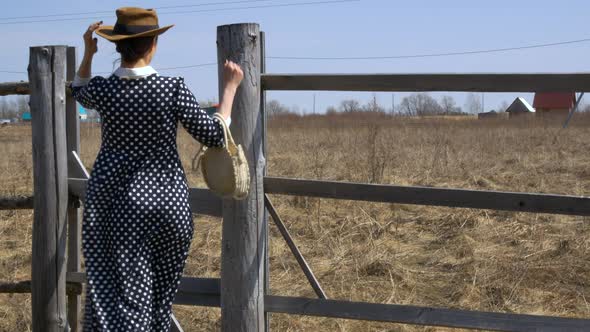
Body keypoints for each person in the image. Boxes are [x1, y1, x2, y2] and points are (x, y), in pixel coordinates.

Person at [70, 7, 244, 331]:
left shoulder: (105, 90)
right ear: (153, 45)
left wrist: (88, 53)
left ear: (118, 46)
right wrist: (230, 89)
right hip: (170, 207)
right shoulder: (172, 88)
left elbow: (78, 90)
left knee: (127, 304)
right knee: (160, 305)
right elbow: (215, 135)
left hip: (120, 208)